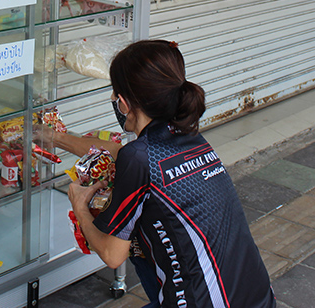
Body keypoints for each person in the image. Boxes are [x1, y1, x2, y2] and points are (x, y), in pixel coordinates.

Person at [60, 40, 276, 308]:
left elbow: (111, 255)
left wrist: (80, 206)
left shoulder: (139, 158)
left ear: (124, 103)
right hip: (257, 297)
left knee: (136, 245)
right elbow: (121, 152)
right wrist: (53, 138)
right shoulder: (191, 137)